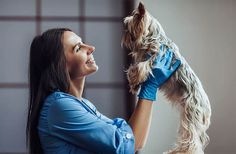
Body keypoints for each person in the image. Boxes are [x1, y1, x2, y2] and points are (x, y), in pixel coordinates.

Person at [26, 28, 181, 154]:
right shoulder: (59, 106)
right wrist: (150, 86)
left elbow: (134, 142)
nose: (91, 48)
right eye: (78, 48)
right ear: (59, 65)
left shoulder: (82, 105)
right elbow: (125, 146)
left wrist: (149, 86)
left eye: (83, 43)